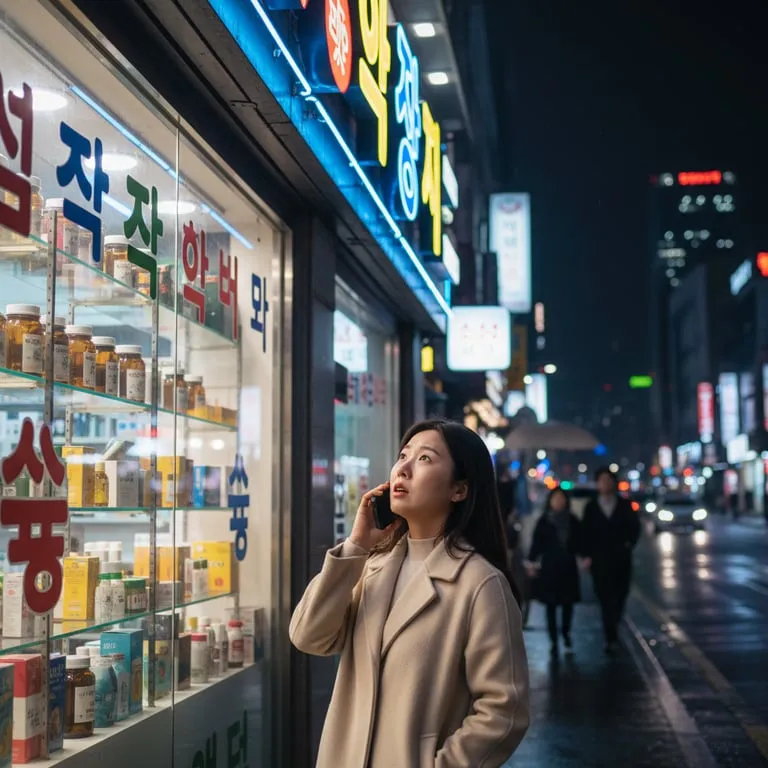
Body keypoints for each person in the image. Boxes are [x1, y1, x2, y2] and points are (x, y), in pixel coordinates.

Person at [290, 419, 530, 768]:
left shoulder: (479, 583)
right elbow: (308, 637)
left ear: (459, 489)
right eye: (403, 455)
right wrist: (356, 546)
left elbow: (504, 711)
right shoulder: (371, 566)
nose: (402, 468)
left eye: (425, 459)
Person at [581, 467, 641, 653]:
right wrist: (587, 556)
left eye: (608, 480)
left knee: (620, 596)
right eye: (602, 480)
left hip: (621, 560)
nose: (605, 484)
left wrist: (628, 545)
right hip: (600, 561)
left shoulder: (624, 505)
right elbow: (585, 532)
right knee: (605, 599)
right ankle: (611, 638)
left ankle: (614, 626)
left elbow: (635, 528)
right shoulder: (591, 507)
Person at [527, 487, 582, 657]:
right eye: (555, 498)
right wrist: (531, 562)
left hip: (568, 567)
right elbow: (536, 543)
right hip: (550, 567)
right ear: (550, 501)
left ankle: (565, 633)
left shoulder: (572, 520)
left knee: (568, 604)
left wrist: (585, 556)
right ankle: (553, 640)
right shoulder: (544, 521)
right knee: (550, 606)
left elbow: (581, 541)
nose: (558, 501)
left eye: (561, 498)